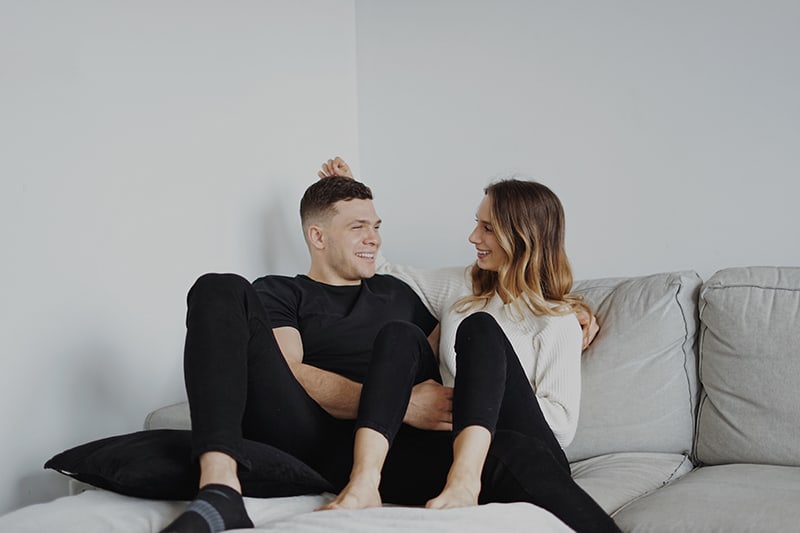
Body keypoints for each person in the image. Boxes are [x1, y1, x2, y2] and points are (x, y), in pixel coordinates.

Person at [161, 167, 614, 533]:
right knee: (217, 286)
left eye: (377, 227)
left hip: (411, 448)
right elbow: (287, 372)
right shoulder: (281, 292)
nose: (373, 237)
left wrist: (571, 310)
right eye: (359, 227)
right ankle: (219, 488)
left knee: (426, 335)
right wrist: (401, 405)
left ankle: (427, 482)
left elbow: (487, 345)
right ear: (318, 237)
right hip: (310, 427)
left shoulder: (403, 296)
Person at [317, 158, 618, 532]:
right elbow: (386, 269)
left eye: (487, 227)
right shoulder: (462, 287)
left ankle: (465, 483)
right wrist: (350, 198)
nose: (473, 237)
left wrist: (475, 399)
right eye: (476, 223)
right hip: (452, 449)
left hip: (523, 447)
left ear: (521, 237)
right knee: (399, 334)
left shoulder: (557, 321)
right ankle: (364, 482)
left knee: (479, 328)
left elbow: (561, 427)